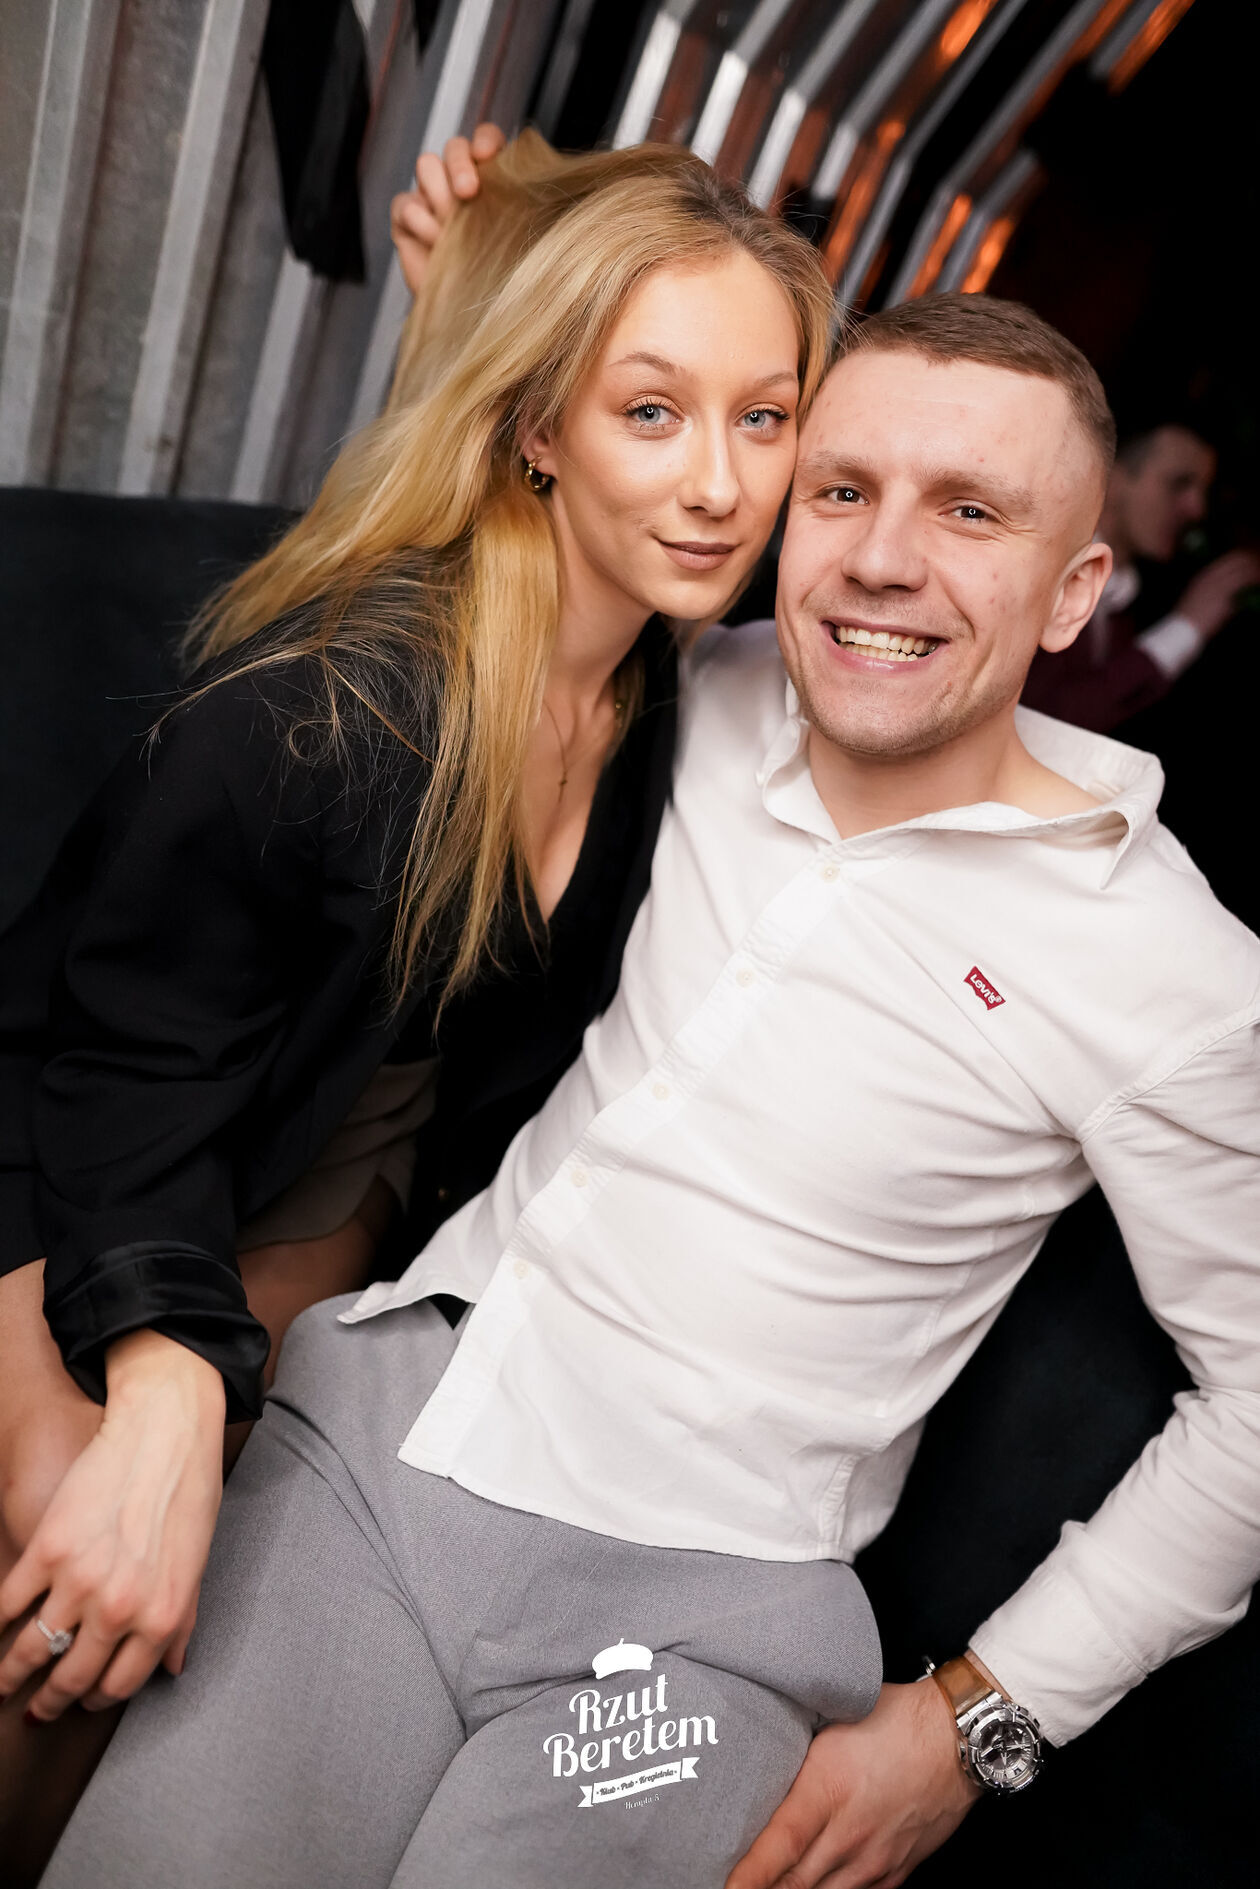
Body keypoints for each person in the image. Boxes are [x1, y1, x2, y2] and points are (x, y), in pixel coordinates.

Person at [38, 293, 1260, 1889]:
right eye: (842, 489)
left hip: (699, 1637)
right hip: (387, 1451)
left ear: (1075, 590)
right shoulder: (690, 690)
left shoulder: (1170, 967)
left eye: (970, 512)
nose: (885, 559)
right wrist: (475, 269)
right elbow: (547, 500)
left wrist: (977, 1719)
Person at [0, 134, 832, 1878]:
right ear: (540, 429)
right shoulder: (324, 713)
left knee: (172, 1625)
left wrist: (493, 241)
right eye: (653, 412)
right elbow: (112, 1066)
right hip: (76, 1185)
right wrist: (165, 1388)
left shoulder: (663, 689)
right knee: (82, 1605)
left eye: (765, 418)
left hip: (312, 1248)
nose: (720, 484)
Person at [1021, 418, 1260, 730]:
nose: (1196, 509)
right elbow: (1034, 725)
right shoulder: (1037, 571)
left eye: (1203, 491)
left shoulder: (1126, 593)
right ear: (1111, 478)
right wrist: (1186, 627)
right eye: (1179, 484)